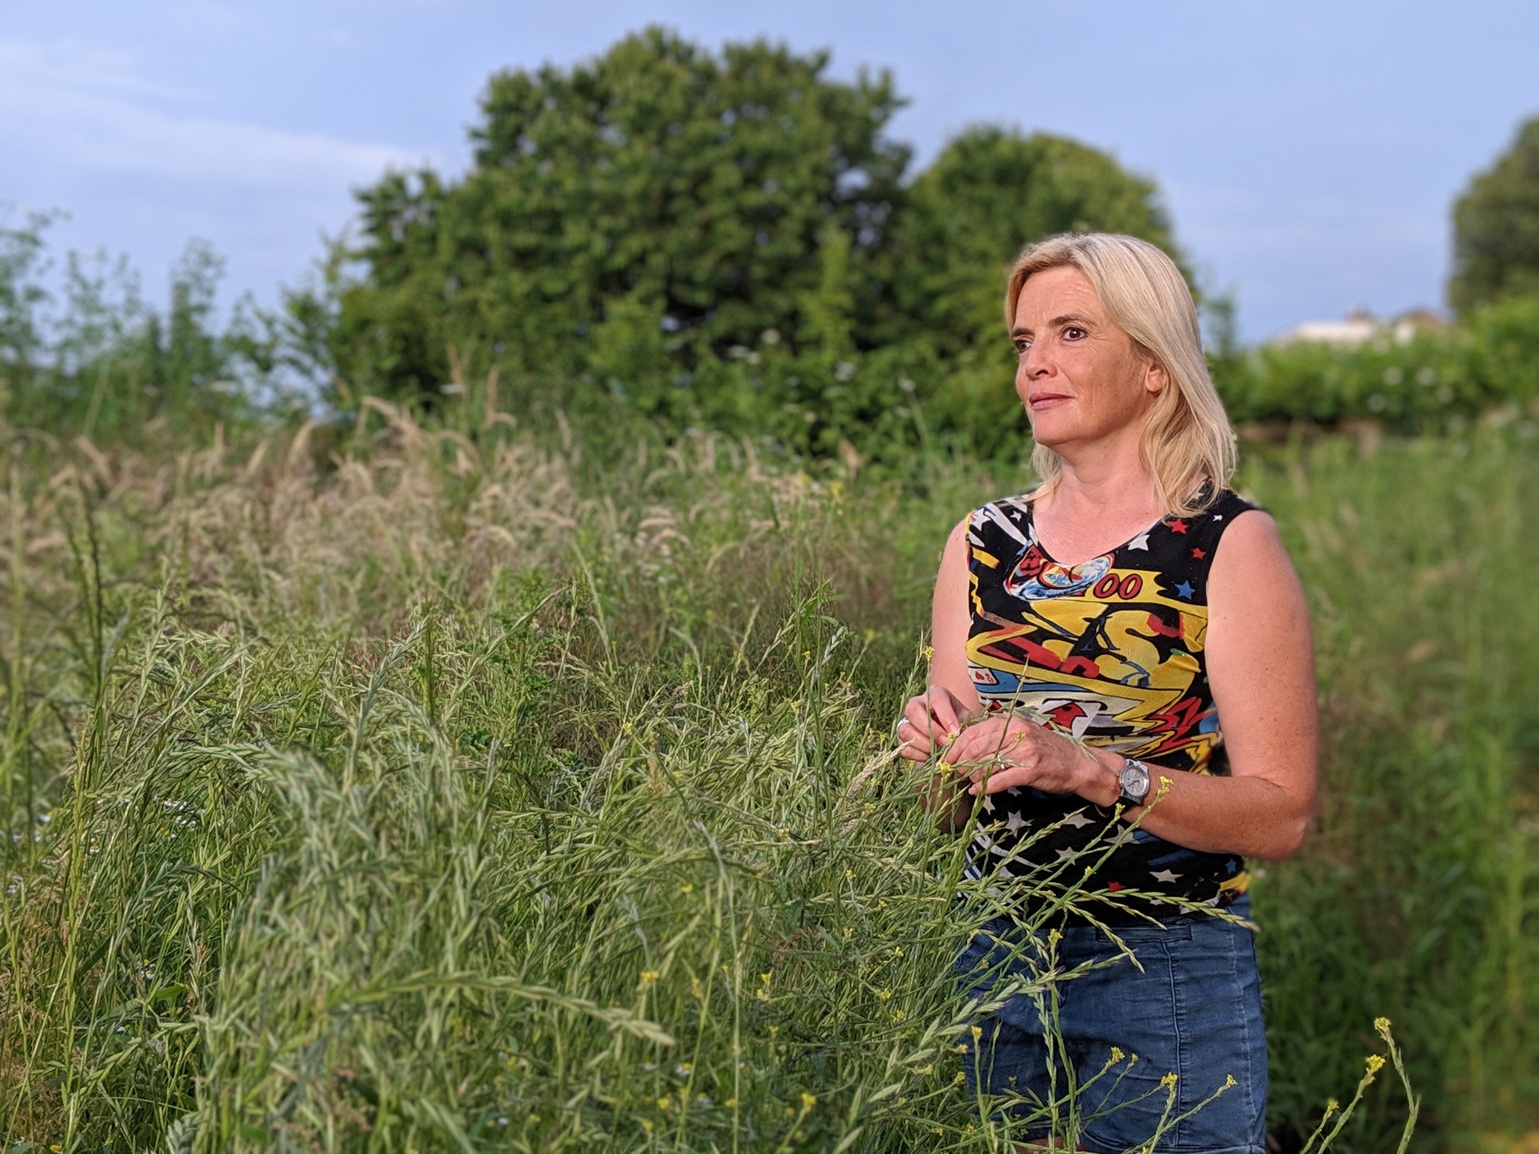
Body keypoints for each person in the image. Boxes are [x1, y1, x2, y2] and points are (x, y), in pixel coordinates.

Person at [895, 233, 1317, 1153]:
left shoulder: (1224, 544)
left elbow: (1280, 817)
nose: (1036, 364)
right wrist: (930, 757)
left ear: (1155, 365)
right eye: (1022, 342)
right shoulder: (980, 543)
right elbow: (942, 814)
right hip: (988, 949)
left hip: (1162, 963)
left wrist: (1092, 769)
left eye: (1072, 333)